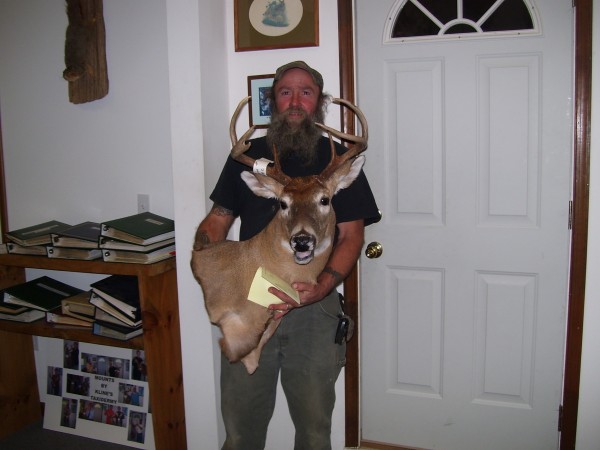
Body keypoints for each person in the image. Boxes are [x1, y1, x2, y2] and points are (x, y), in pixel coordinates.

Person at [194, 61, 379, 450]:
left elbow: (352, 236)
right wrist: (208, 264)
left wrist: (322, 287)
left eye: (306, 92)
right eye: (285, 92)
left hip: (314, 307)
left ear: (319, 102)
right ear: (274, 100)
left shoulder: (341, 161)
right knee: (241, 425)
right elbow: (218, 219)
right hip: (252, 299)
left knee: (313, 429)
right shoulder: (248, 156)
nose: (295, 101)